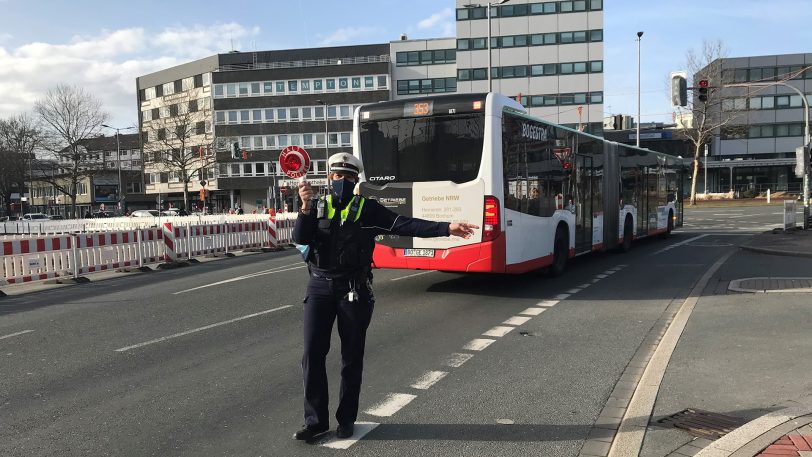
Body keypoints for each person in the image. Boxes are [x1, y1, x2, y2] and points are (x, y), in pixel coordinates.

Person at [292, 153, 478, 441]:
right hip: (319, 288)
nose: (342, 181)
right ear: (329, 178)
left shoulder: (368, 210)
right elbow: (302, 239)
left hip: (353, 290)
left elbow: (405, 224)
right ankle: (315, 421)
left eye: (349, 177)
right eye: (337, 176)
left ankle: (346, 420)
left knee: (351, 357)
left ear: (357, 181)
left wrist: (446, 227)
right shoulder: (316, 207)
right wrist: (304, 207)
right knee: (312, 355)